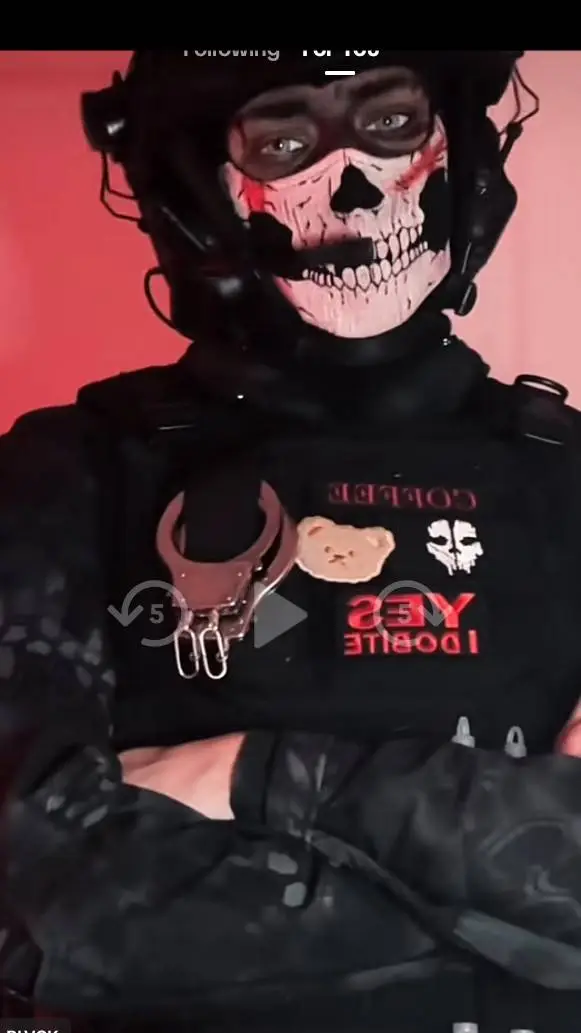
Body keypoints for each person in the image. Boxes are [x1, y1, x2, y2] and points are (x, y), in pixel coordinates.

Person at [2, 48, 581, 1033]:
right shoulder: (69, 469)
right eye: (284, 142)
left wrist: (257, 774)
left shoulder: (568, 474)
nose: (349, 183)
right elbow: (38, 899)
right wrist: (514, 921)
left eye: (389, 124)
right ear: (199, 194)